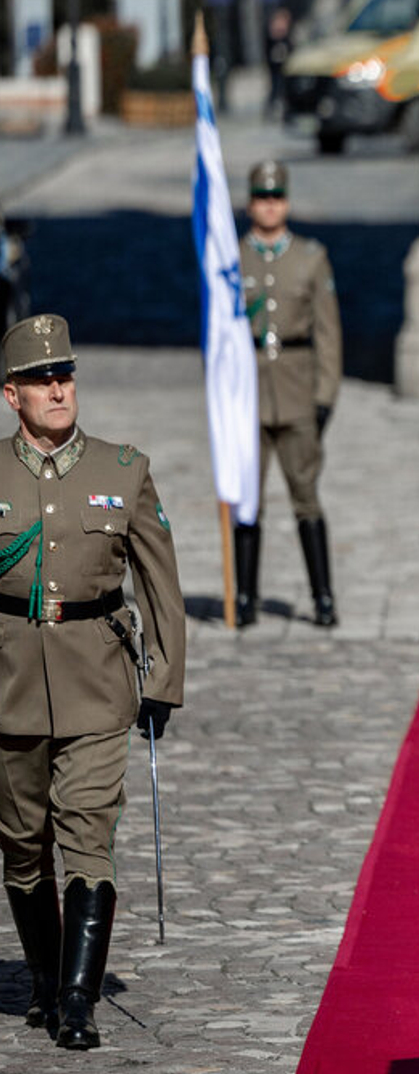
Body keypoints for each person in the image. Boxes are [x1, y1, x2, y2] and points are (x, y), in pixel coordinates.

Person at [0, 315, 185, 1051]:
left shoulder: (123, 470)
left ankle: (78, 1001)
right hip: (9, 680)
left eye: (65, 376)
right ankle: (46, 982)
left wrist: (164, 679)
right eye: (41, 380)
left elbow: (160, 581)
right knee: (21, 844)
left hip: (98, 680)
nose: (57, 389)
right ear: (11, 395)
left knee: (87, 835)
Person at [235, 160, 343, 628]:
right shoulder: (232, 258)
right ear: (250, 203)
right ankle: (245, 596)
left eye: (276, 197)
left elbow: (329, 333)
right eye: (262, 197)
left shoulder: (310, 258)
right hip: (249, 395)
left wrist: (324, 397)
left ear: (287, 202)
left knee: (306, 496)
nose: (269, 205)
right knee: (247, 500)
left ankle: (322, 597)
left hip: (297, 392)